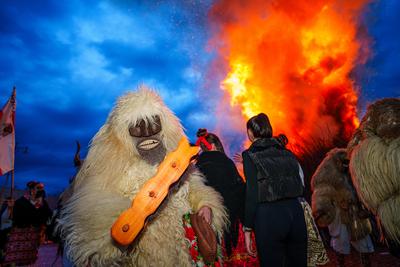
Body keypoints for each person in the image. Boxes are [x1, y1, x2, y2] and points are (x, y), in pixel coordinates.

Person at [242, 113, 307, 267]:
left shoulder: (250, 155)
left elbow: (252, 192)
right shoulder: (287, 152)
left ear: (251, 132)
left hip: (268, 216)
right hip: (295, 212)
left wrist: (247, 227)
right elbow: (301, 184)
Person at [195, 128, 257, 266]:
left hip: (209, 222)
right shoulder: (225, 162)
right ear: (216, 145)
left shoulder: (197, 166)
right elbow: (239, 190)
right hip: (231, 221)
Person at [2, 181, 52, 266]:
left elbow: (48, 217)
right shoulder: (21, 202)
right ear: (32, 190)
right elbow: (15, 218)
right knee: (17, 260)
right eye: (38, 188)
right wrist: (10, 208)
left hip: (34, 237)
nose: (41, 190)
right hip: (20, 235)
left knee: (29, 260)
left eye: (42, 188)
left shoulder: (44, 203)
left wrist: (41, 206)